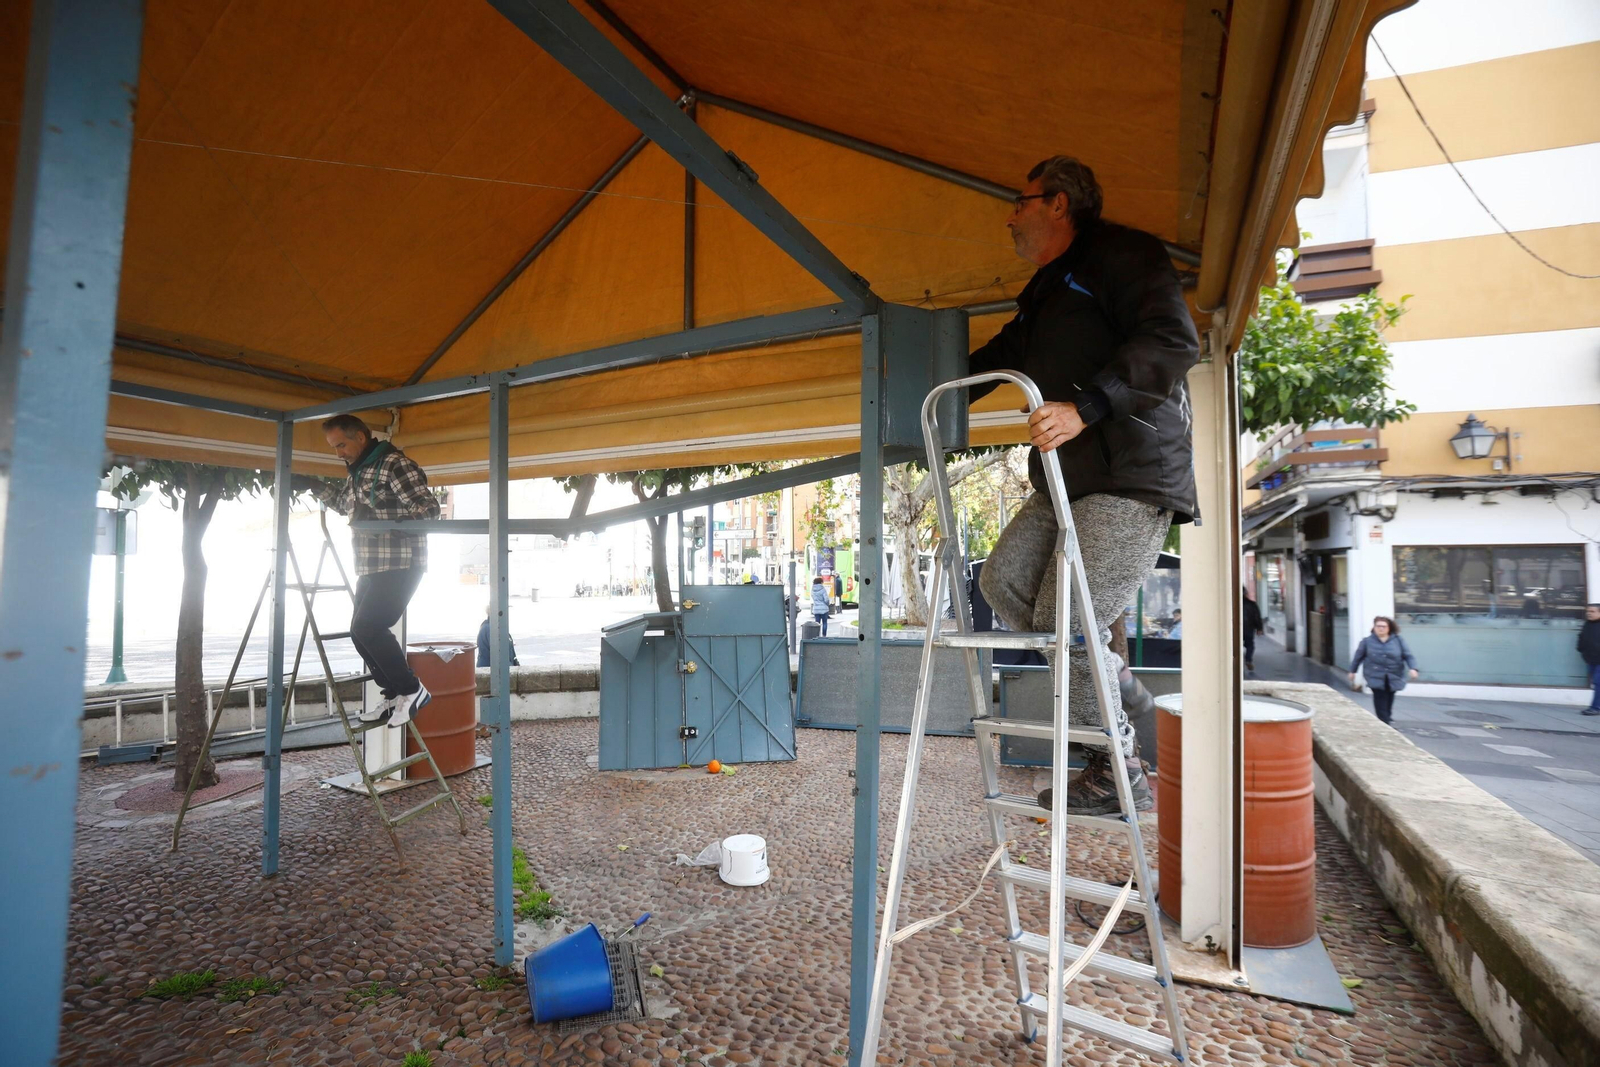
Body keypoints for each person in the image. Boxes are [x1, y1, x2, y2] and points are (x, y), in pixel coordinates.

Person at [971, 156, 1200, 816]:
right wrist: (929, 385)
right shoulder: (1046, 288)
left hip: (1130, 473)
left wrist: (1087, 406)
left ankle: (1118, 766)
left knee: (1064, 619)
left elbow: (1171, 338)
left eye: (1020, 200)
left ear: (1059, 203)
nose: (1011, 215)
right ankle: (1113, 673)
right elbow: (998, 355)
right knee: (1002, 582)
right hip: (1066, 481)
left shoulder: (1126, 256)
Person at [300, 415, 441, 726]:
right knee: (358, 632)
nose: (338, 453)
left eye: (341, 445)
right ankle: (394, 694)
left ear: (361, 437)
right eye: (333, 447)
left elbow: (429, 509)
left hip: (400, 562)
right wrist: (314, 486)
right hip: (370, 565)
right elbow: (345, 505)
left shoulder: (394, 464)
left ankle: (412, 690)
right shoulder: (359, 471)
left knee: (368, 628)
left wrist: (388, 523)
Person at [1349, 616, 1418, 725]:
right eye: (1378, 626)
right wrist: (1352, 671)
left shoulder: (1398, 640)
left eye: (1384, 626)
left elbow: (1408, 655)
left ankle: (1387, 718)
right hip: (1375, 675)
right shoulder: (1367, 641)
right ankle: (1385, 722)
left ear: (1389, 628)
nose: (1381, 628)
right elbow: (1358, 657)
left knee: (1390, 697)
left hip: (1394, 675)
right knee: (1380, 698)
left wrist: (1413, 668)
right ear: (1374, 627)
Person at [1578, 604, 1600, 717]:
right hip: (1590, 660)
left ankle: (1595, 708)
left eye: (1592, 611)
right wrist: (1581, 649)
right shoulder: (1587, 624)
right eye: (1588, 611)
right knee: (1596, 683)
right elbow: (1582, 637)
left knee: (1598, 683)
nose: (1589, 613)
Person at [1242, 590, 1263, 673]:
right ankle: (1248, 660)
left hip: (1235, 630)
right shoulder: (1252, 604)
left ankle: (1234, 661)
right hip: (1249, 629)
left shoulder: (1232, 603)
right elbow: (1257, 616)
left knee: (1234, 646)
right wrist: (1259, 628)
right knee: (1250, 645)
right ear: (1245, 594)